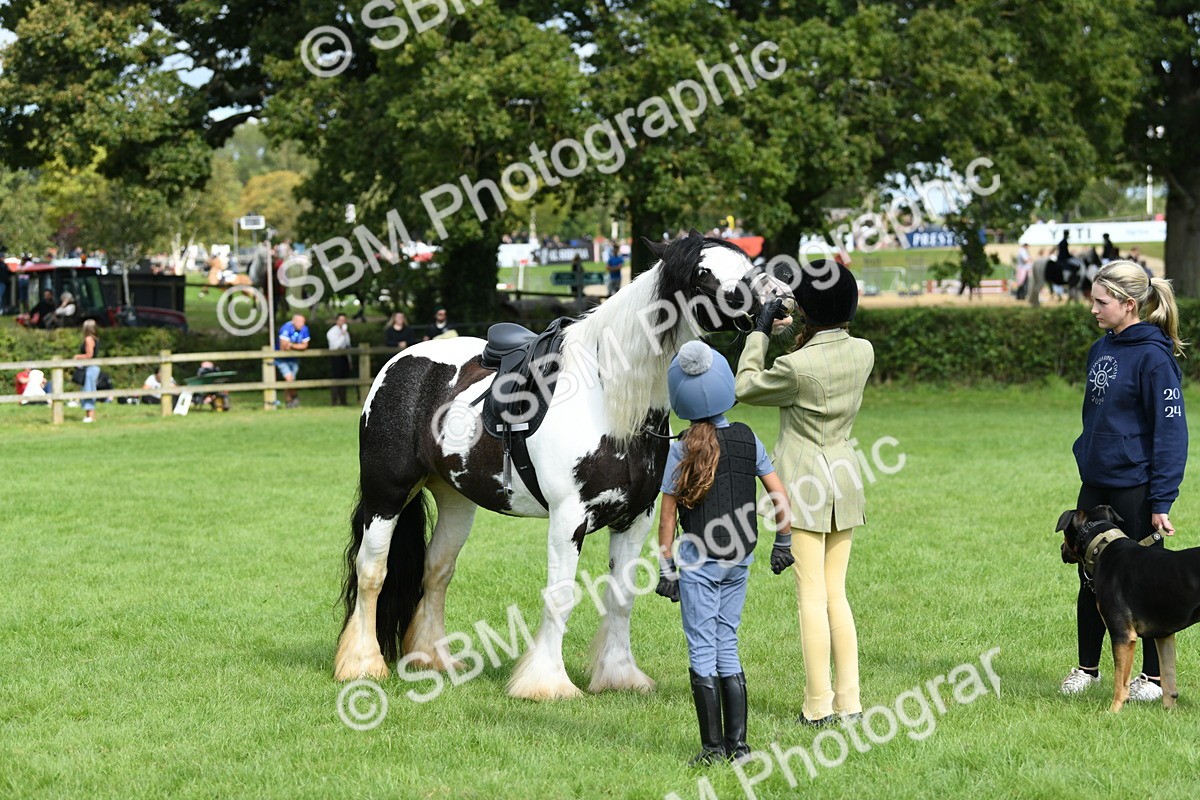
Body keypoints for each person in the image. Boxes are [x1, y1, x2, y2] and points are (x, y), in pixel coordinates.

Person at [735, 261, 875, 726]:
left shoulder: (795, 367)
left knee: (811, 597)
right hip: (845, 476)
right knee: (837, 594)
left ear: (807, 310)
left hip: (803, 484)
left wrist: (760, 332)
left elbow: (744, 387)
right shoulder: (864, 351)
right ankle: (849, 702)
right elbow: (822, 346)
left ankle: (817, 705)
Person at [655, 340, 793, 766]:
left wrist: (666, 568)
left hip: (698, 562)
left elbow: (667, 517)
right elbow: (779, 495)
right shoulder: (748, 437)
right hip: (741, 557)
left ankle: (713, 749)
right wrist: (783, 541)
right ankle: (740, 747)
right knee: (727, 643)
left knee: (702, 649)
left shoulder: (681, 449)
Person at [1060, 260, 1188, 702]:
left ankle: (1152, 679)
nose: (1093, 308)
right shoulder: (1100, 349)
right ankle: (1087, 670)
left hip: (1136, 487)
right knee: (1090, 580)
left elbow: (1171, 433)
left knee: (1146, 582)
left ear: (1129, 304)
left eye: (1101, 301)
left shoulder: (1155, 358)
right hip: (1096, 483)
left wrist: (1161, 500)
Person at [276, 314, 310, 408]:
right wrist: (298, 346)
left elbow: (305, 346)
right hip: (282, 359)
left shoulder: (304, 329)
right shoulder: (286, 328)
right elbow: (283, 346)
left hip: (294, 359)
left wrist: (291, 345)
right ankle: (295, 397)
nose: (301, 324)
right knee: (289, 379)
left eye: (303, 322)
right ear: (293, 321)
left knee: (290, 381)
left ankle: (289, 402)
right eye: (299, 322)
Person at [72, 319, 101, 423]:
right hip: (91, 368)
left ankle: (91, 416)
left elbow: (89, 355)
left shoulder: (89, 339)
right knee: (88, 389)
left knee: (89, 390)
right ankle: (89, 415)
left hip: (90, 368)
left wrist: (77, 356)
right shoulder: (95, 338)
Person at [327, 313, 352, 407]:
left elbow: (348, 346)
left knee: (344, 378)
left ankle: (343, 400)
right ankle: (334, 401)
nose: (343, 322)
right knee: (336, 378)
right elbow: (336, 346)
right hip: (336, 357)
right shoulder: (332, 332)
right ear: (336, 321)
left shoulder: (346, 333)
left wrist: (350, 361)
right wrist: (342, 334)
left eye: (344, 320)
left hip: (344, 357)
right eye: (341, 320)